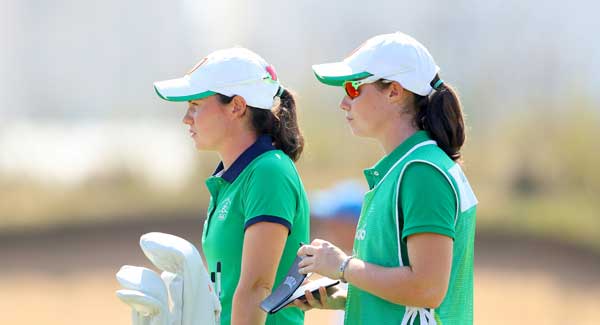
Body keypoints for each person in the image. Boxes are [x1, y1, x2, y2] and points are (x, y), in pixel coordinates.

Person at [295, 32, 478, 324]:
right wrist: (347, 297)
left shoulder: (421, 172)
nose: (344, 102)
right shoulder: (410, 167)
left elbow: (428, 288)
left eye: (353, 88)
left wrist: (342, 266)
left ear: (394, 91)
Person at [153, 47, 310, 325]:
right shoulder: (235, 177)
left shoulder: (268, 171)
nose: (186, 118)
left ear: (237, 106)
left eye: (195, 106)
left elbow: (255, 289)